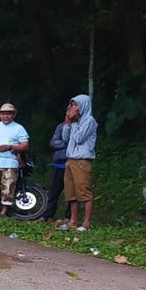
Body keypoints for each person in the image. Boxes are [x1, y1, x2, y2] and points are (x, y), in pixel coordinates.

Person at [62, 94, 98, 232]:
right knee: (71, 193)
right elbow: (66, 138)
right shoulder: (74, 121)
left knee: (84, 192)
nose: (73, 107)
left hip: (82, 160)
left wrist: (74, 122)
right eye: (72, 104)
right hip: (70, 160)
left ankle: (86, 223)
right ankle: (73, 221)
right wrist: (67, 123)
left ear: (83, 105)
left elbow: (79, 138)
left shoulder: (89, 120)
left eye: (76, 104)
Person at [45, 109, 72, 222]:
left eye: (69, 116)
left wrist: (66, 144)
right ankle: (48, 215)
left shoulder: (78, 128)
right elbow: (53, 142)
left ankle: (69, 217)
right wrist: (67, 144)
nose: (67, 118)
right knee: (54, 192)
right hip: (59, 164)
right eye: (66, 115)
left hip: (71, 164)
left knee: (71, 192)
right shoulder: (60, 126)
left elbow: (76, 144)